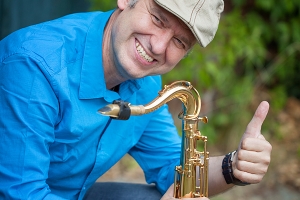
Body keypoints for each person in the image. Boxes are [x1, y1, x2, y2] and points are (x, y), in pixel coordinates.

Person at [0, 0, 272, 199]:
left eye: (179, 41)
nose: (158, 47)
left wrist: (233, 167)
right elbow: (22, 192)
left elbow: (172, 172)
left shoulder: (146, 83)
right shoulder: (33, 64)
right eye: (158, 19)